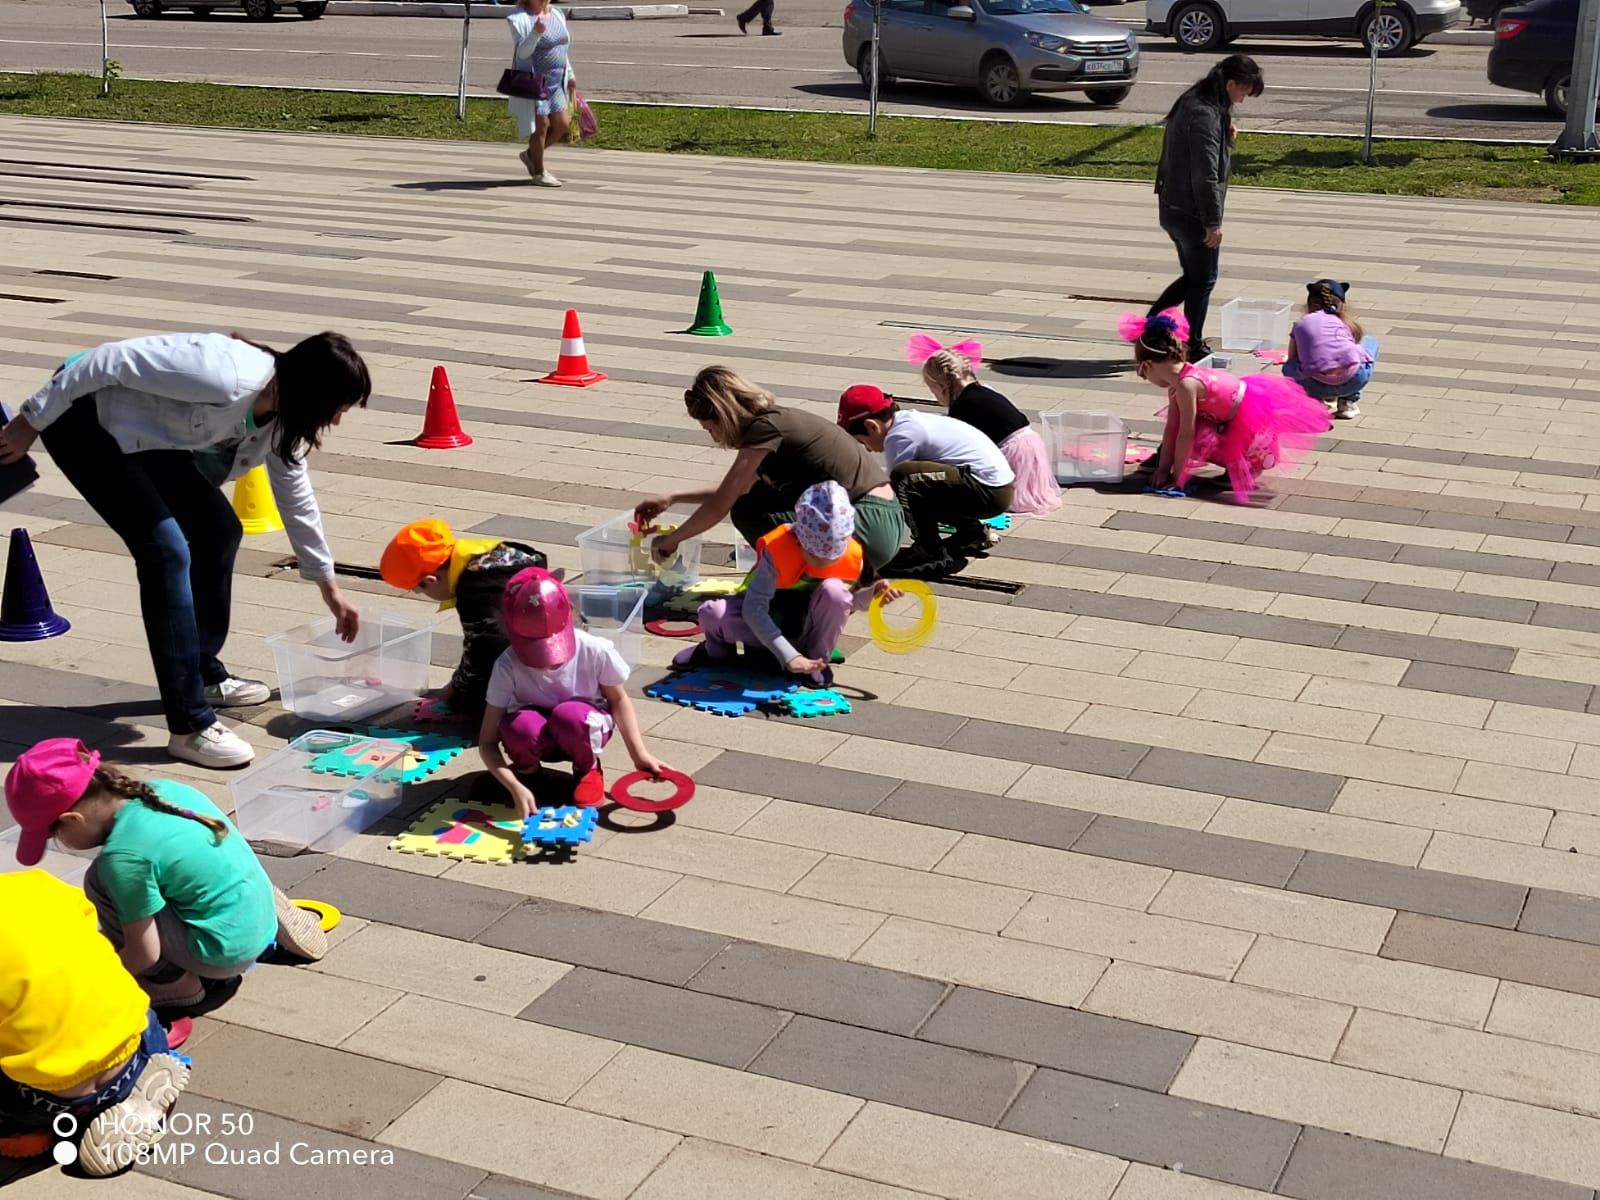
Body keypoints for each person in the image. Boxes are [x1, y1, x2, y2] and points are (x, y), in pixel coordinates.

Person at [0, 333, 369, 769]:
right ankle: (190, 724)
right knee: (166, 551)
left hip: (150, 435)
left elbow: (295, 495)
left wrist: (327, 585)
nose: (337, 421)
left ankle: (201, 673)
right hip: (85, 419)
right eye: (337, 408)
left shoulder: (284, 417)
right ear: (311, 392)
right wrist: (30, 422)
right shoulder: (222, 373)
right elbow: (102, 361)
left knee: (219, 530)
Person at [4, 739, 328, 1012]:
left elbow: (144, 954)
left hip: (221, 955)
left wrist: (99, 978)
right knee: (198, 862)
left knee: (98, 881)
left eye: (53, 836)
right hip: (252, 910)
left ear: (73, 820)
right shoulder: (165, 791)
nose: (61, 845)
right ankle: (266, 904)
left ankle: (171, 982)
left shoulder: (123, 858)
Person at [0, 870, 192, 1176]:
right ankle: (132, 1087)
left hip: (51, 1098)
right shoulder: (35, 884)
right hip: (139, 1037)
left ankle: (27, 1131)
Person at [634, 366, 906, 574]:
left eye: (710, 428)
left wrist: (672, 540)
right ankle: (800, 574)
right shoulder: (775, 423)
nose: (715, 438)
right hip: (882, 520)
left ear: (725, 414)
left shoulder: (764, 431)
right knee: (755, 500)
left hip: (870, 526)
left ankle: (795, 581)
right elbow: (734, 489)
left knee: (748, 512)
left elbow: (722, 505)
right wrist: (672, 498)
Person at [479, 567, 670, 815]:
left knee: (570, 714)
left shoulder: (595, 650)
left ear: (569, 614)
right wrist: (513, 785)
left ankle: (587, 769)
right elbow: (487, 741)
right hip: (538, 737)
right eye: (534, 648)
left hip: (582, 728)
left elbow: (618, 699)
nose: (548, 661)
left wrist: (639, 753)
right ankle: (528, 773)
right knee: (519, 725)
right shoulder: (507, 665)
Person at [673, 482, 898, 686]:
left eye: (833, 555)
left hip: (804, 629)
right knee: (712, 612)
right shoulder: (778, 551)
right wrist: (788, 656)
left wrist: (873, 595)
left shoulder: (852, 554)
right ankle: (715, 653)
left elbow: (848, 603)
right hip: (761, 627)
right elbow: (753, 609)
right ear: (800, 539)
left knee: (835, 591)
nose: (824, 562)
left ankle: (816, 662)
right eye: (816, 555)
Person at [1120, 308, 1329, 504]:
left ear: (1147, 366)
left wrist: (1179, 478)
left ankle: (1245, 466)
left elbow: (1185, 433)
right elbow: (1172, 428)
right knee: (1198, 435)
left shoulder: (1186, 385)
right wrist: (1164, 469)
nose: (1147, 379)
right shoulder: (1179, 383)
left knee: (1200, 438)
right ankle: (1238, 464)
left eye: (1143, 374)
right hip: (1227, 418)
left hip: (1252, 426)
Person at [1150, 54, 1265, 362]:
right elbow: (1205, 175)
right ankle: (1193, 345)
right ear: (1230, 84)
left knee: (1193, 276)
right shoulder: (1205, 114)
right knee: (1204, 279)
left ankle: (1152, 328)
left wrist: (1226, 133)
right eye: (1243, 92)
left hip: (1172, 206)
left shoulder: (1196, 101)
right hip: (1191, 213)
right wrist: (1212, 223)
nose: (1242, 99)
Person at [380, 519, 550, 724]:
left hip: (534, 668)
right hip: (558, 656)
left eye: (421, 589)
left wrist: (455, 691)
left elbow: (481, 652)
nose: (423, 594)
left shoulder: (475, 591)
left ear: (431, 580)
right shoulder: (498, 554)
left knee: (473, 698)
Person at [838, 384, 1014, 578]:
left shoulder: (899, 436)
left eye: (863, 442)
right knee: (920, 486)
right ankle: (972, 533)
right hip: (995, 487)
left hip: (989, 492)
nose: (868, 450)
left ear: (872, 426)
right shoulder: (909, 421)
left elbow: (891, 494)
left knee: (903, 479)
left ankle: (929, 552)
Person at [908, 334, 1061, 517]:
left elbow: (960, 447)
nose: (935, 396)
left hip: (1013, 452)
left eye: (933, 390)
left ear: (942, 387)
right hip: (1030, 445)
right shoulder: (983, 391)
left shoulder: (963, 405)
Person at [1284, 278, 1379, 421]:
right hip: (1353, 380)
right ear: (1341, 304)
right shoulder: (1345, 323)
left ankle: (1314, 402)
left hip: (1315, 385)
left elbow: (1292, 357)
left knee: (1290, 366)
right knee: (1370, 343)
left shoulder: (1300, 324)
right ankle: (1348, 402)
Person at [507, 0, 573, 187]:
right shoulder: (519, 18)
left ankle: (530, 155)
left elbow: (562, 48)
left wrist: (570, 75)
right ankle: (539, 172)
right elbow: (522, 53)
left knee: (562, 125)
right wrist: (536, 32)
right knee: (541, 126)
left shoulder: (557, 14)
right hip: (535, 82)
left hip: (556, 82)